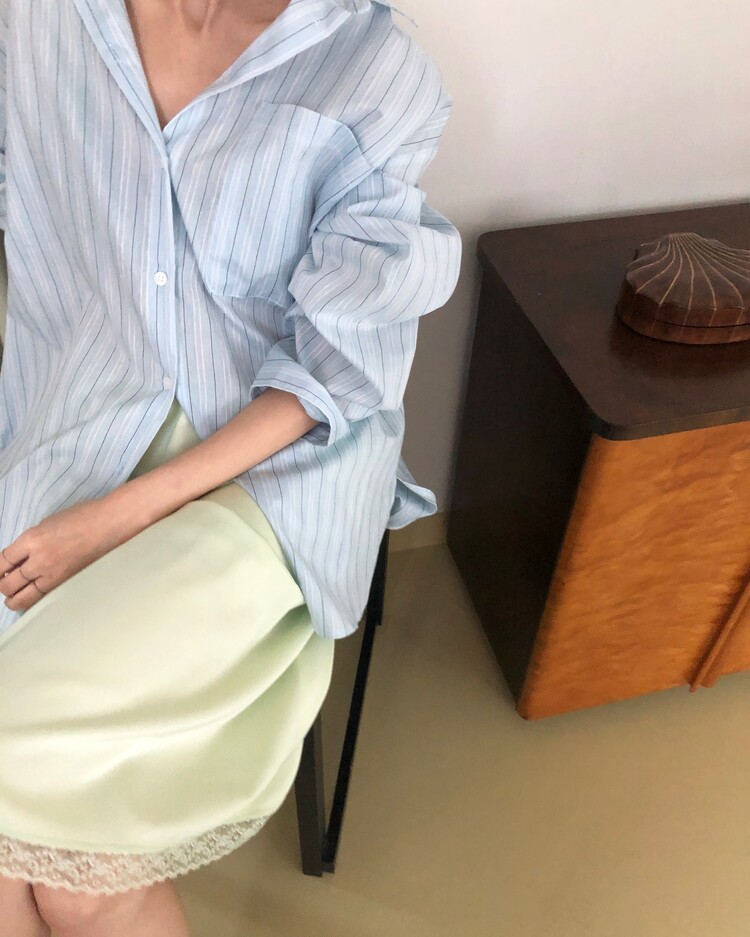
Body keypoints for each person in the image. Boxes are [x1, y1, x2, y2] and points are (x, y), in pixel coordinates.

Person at [0, 0, 462, 934]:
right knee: (50, 865)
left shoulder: (373, 71)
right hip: (74, 412)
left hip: (275, 466)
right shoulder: (40, 17)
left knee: (50, 830)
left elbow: (334, 369)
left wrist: (115, 518)